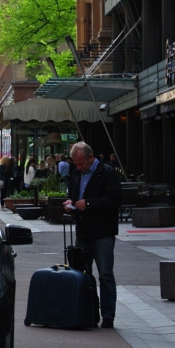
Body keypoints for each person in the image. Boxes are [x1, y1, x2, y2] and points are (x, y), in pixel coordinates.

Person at [64, 141, 122, 329]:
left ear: (91, 157)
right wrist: (70, 203)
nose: (79, 167)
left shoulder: (107, 172)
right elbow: (74, 195)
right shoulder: (76, 174)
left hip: (103, 231)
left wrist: (89, 204)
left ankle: (108, 316)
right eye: (76, 164)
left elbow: (115, 198)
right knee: (82, 274)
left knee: (105, 274)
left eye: (81, 163)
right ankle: (87, 313)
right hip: (83, 231)